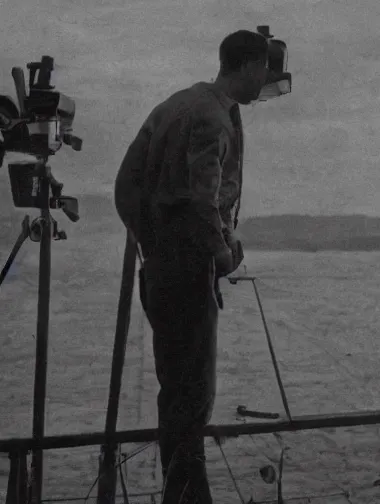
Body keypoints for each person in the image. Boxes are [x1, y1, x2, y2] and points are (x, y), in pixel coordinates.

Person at [113, 30, 272, 504]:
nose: (266, 81)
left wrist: (154, 244)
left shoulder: (175, 105)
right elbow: (201, 201)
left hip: (162, 270)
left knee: (175, 391)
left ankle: (181, 495)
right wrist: (220, 254)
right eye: (264, 70)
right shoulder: (212, 119)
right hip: (186, 274)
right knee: (193, 396)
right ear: (248, 66)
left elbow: (126, 188)